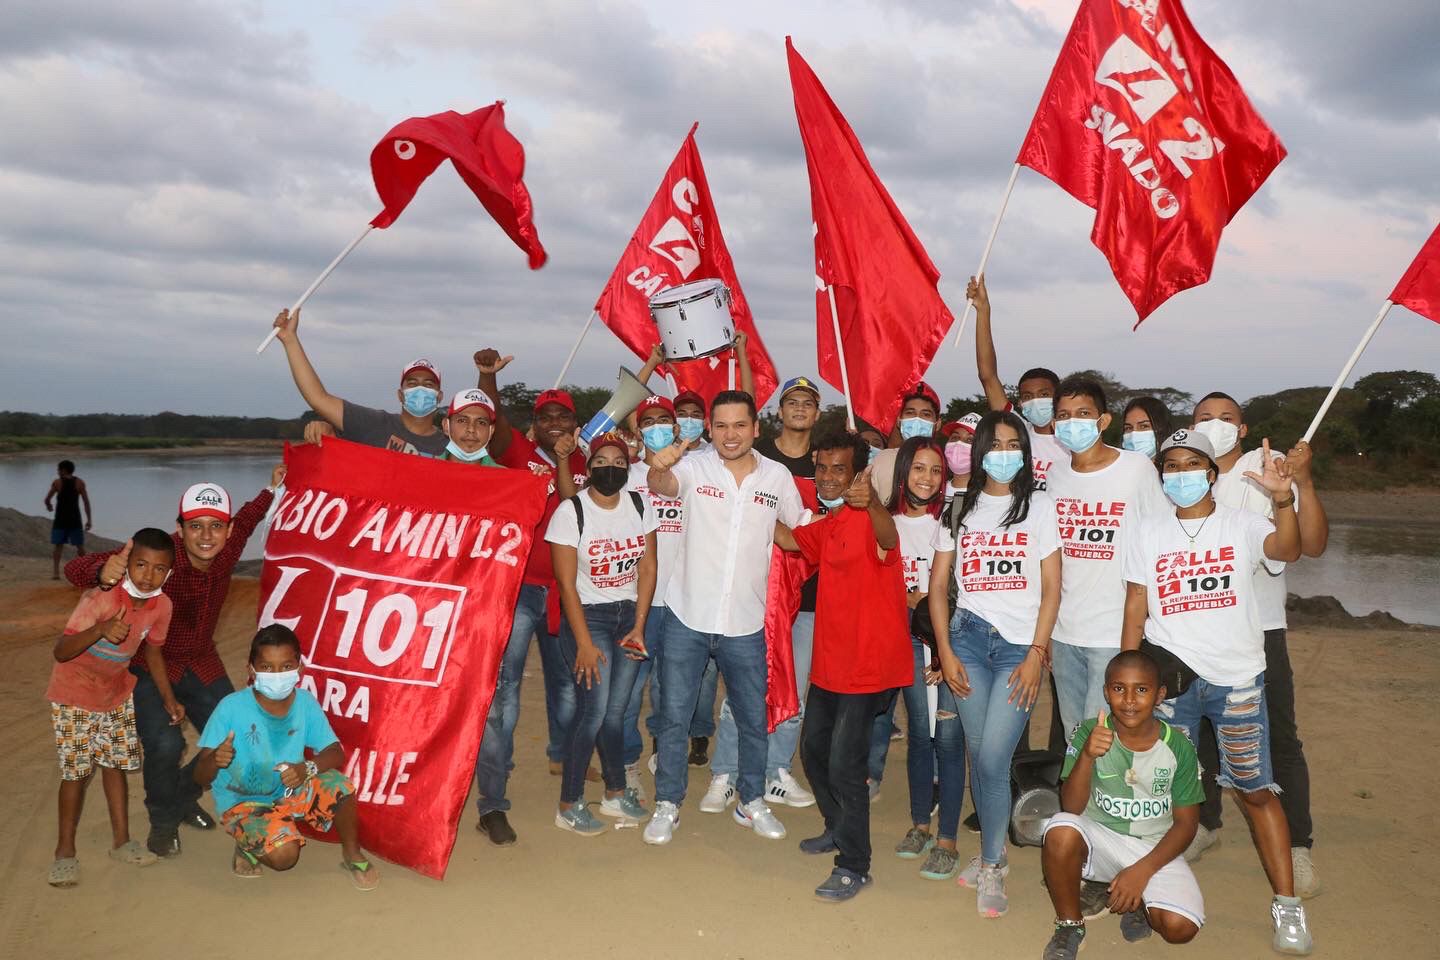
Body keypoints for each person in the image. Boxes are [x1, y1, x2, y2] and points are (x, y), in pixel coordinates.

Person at [1121, 429, 1312, 955]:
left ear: (1211, 473)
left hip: (1236, 681)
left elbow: (1288, 548)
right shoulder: (1147, 531)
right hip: (1172, 683)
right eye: (1171, 465)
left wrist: (1281, 498)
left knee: (1255, 790)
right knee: (1158, 791)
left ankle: (1287, 907)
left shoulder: (1241, 522)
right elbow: (1136, 603)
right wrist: (1127, 677)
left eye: (1192, 464)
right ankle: (1148, 891)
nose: (1181, 474)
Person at [66, 472, 285, 858]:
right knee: (166, 744)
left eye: (216, 527)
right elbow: (77, 569)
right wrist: (101, 573)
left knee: (231, 738)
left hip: (201, 660)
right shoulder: (161, 562)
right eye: (195, 526)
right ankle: (163, 823)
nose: (206, 536)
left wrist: (272, 487)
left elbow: (250, 519)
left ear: (227, 530)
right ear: (179, 529)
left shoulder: (228, 550)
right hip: (147, 665)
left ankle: (180, 799)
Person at [641, 390, 806, 846]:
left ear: (756, 428)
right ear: (708, 429)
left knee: (753, 717)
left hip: (746, 623)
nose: (729, 435)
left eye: (739, 425)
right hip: (687, 616)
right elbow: (660, 485)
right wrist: (665, 458)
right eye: (720, 426)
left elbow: (800, 531)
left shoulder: (777, 476)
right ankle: (668, 804)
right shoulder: (692, 467)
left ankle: (751, 802)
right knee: (673, 716)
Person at [1188, 393, 1328, 898]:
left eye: (1227, 419)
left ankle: (1297, 846)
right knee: (1198, 735)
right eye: (1205, 419)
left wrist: (1300, 483)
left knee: (1278, 737)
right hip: (1193, 629)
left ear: (1243, 429)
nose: (1216, 426)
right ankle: (1204, 824)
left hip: (1258, 628)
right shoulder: (1184, 474)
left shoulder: (1264, 467)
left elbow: (1309, 546)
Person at [928, 410, 1060, 918]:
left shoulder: (1041, 508)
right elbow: (939, 588)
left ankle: (992, 867)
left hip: (1017, 652)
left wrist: (1036, 654)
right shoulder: (958, 508)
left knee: (989, 762)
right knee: (981, 759)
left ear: (1025, 452)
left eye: (1013, 444)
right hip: (967, 643)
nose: (1003, 452)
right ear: (979, 451)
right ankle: (993, 855)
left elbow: (1052, 589)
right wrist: (945, 649)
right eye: (994, 443)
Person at [772, 432, 907, 900]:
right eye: (823, 468)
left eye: (839, 469)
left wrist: (870, 504)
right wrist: (746, 498)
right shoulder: (829, 524)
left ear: (859, 474)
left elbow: (890, 537)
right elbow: (789, 538)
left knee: (846, 763)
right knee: (813, 751)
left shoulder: (873, 520)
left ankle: (855, 864)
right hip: (831, 663)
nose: (829, 476)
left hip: (868, 665)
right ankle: (839, 825)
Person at [468, 349, 591, 846]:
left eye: (564, 415)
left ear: (575, 421)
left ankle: (562, 753)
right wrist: (487, 377)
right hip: (516, 593)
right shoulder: (518, 453)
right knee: (504, 696)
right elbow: (493, 425)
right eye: (546, 416)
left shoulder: (587, 459)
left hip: (569, 594)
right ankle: (493, 804)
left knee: (568, 689)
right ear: (534, 425)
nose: (556, 422)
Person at [704, 375, 825, 814]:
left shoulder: (825, 460)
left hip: (808, 596)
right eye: (790, 401)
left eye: (807, 403)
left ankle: (776, 770)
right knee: (744, 689)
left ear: (817, 411)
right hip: (754, 594)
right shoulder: (757, 458)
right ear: (773, 413)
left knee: (795, 687)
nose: (798, 408)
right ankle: (726, 772)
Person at [1040, 650, 1204, 959]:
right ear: (1106, 692)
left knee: (1179, 929)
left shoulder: (1178, 745)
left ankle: (1140, 900)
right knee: (1059, 828)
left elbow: (1187, 824)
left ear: (1159, 695)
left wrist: (1142, 871)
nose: (1129, 699)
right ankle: (1069, 925)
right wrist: (1087, 756)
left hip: (1154, 847)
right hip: (1102, 840)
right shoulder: (1089, 731)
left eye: (1141, 690)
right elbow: (1071, 808)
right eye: (1119, 688)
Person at [193, 624, 378, 889]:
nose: (277, 675)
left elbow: (335, 753)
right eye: (267, 667)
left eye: (286, 666)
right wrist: (215, 760)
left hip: (289, 789)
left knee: (341, 787)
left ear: (299, 669)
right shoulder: (230, 708)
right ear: (251, 670)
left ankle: (351, 853)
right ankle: (247, 842)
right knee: (285, 857)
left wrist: (308, 768)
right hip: (243, 802)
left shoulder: (304, 703)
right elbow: (199, 777)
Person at [47, 527, 178, 887]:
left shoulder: (161, 605)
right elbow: (61, 651)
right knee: (76, 773)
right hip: (73, 692)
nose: (148, 576)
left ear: (169, 573)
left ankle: (122, 842)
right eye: (140, 565)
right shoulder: (101, 599)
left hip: (115, 693)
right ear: (127, 564)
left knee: (114, 764)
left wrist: (169, 698)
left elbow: (152, 650)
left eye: (158, 569)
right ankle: (64, 852)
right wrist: (101, 630)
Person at [546, 433, 658, 834]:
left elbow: (647, 568)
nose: (610, 467)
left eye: (619, 461)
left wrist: (641, 625)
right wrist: (583, 643)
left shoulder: (639, 505)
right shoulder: (570, 512)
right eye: (601, 461)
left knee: (616, 712)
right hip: (587, 618)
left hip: (629, 617)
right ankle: (569, 802)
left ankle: (614, 794)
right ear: (588, 468)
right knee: (592, 712)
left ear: (628, 468)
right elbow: (566, 584)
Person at [1048, 375, 1169, 736]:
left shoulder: (1136, 469)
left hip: (1113, 632)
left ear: (1103, 421)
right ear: (1054, 425)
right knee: (1075, 734)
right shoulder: (1055, 475)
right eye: (1064, 415)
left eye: (1083, 413)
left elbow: (1161, 541)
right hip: (1064, 632)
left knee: (1104, 736)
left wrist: (1133, 642)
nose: (1073, 422)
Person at [876, 437, 970, 881]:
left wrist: (941, 638)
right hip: (907, 644)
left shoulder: (953, 522)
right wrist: (908, 601)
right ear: (903, 474)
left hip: (946, 644)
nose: (927, 478)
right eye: (918, 468)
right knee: (919, 735)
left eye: (936, 470)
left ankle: (947, 839)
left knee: (949, 741)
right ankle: (920, 824)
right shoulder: (886, 523)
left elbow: (957, 590)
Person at [626, 395, 718, 787]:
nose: (658, 427)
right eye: (649, 421)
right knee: (629, 691)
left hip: (682, 602)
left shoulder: (694, 472)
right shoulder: (625, 475)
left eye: (665, 419)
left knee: (671, 688)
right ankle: (626, 760)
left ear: (677, 427)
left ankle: (664, 749)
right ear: (637, 429)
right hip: (634, 602)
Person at [269, 307, 448, 456]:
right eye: (412, 383)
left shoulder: (450, 447)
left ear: (439, 396)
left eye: (428, 385)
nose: (420, 389)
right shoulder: (375, 424)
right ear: (400, 395)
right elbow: (318, 399)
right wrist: (290, 340)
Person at [971, 275, 1065, 491]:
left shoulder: (1074, 442)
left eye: (1043, 394)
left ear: (1058, 396)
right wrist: (983, 310)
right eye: (1027, 397)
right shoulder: (1018, 431)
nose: (1035, 401)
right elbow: (988, 376)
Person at [869, 381, 943, 504]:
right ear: (899, 421)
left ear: (938, 423)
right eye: (910, 413)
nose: (917, 419)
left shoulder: (944, 462)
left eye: (926, 414)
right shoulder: (883, 458)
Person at [45, 460, 92, 579]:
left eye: (58, 470)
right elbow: (86, 502)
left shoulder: (57, 483)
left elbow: (47, 499)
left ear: (63, 470)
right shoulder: (80, 483)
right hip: (75, 518)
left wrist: (49, 506)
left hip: (60, 519)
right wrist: (89, 520)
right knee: (80, 546)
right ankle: (84, 571)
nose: (57, 472)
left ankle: (56, 573)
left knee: (58, 546)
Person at [440, 389, 501, 464]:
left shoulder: (506, 475)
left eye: (481, 423)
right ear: (446, 426)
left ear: (491, 431)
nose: (471, 429)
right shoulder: (425, 470)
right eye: (462, 421)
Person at [1121, 397, 1174, 461]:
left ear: (1162, 429)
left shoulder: (1178, 469)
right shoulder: (1115, 469)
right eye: (1128, 428)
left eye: (1144, 426)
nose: (1134, 434)